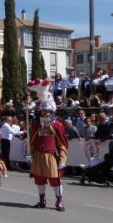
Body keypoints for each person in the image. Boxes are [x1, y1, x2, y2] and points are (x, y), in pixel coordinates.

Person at [27, 81, 68, 211]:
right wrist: (31, 153)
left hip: (52, 156)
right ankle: (41, 200)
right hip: (39, 155)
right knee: (39, 180)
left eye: (47, 111)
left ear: (52, 111)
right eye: (43, 111)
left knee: (55, 180)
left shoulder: (57, 125)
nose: (44, 113)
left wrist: (62, 159)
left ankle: (59, 202)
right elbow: (33, 141)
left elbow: (62, 144)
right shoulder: (37, 125)